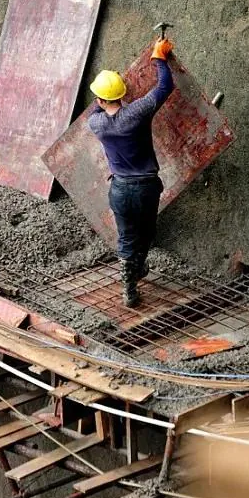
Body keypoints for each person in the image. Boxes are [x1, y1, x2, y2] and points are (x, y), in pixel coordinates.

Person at [88, 36, 174, 308]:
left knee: (126, 236)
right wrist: (159, 58)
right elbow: (164, 87)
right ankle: (137, 267)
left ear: (100, 100)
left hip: (120, 190)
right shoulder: (137, 112)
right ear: (123, 95)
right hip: (146, 188)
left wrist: (104, 96)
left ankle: (129, 286)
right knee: (146, 233)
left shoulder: (96, 124)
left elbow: (97, 105)